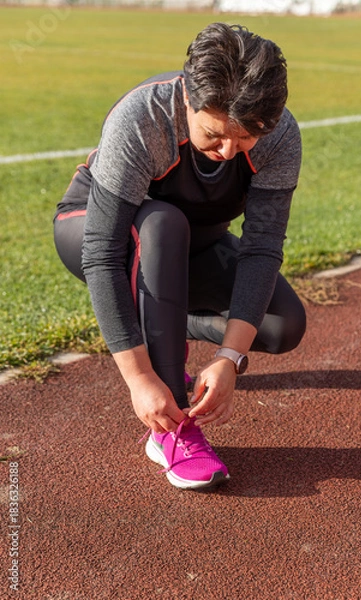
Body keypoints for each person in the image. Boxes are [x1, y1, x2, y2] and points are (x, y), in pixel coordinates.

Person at [54, 22, 306, 490]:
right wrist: (140, 378)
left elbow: (262, 249)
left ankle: (168, 322)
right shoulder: (143, 117)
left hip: (193, 245)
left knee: (281, 324)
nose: (229, 150)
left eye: (247, 136)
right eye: (215, 133)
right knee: (163, 223)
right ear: (188, 98)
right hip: (93, 231)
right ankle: (170, 431)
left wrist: (229, 357)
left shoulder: (279, 134)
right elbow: (103, 254)